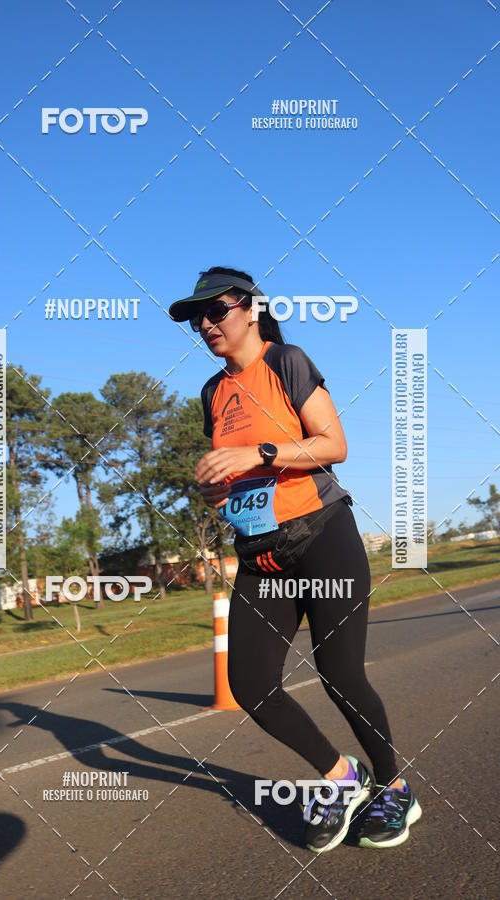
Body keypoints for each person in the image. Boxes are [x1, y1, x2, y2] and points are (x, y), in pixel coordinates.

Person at [169, 265, 422, 853]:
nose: (206, 323)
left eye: (216, 310)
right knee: (251, 684)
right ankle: (341, 779)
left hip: (322, 537)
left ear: (250, 310)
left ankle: (395, 788)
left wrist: (257, 451)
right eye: (196, 318)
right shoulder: (213, 392)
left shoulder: (287, 362)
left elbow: (334, 445)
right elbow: (237, 480)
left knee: (339, 673)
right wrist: (218, 487)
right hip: (260, 554)